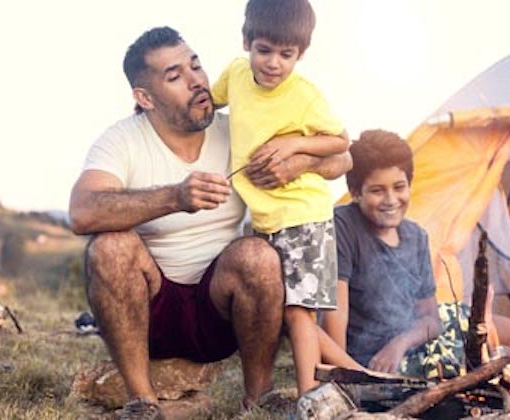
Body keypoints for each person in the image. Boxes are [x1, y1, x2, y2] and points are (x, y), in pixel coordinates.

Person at [69, 27, 352, 418]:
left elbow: (343, 160)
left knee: (258, 254)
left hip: (220, 312)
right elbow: (83, 211)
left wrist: (299, 160)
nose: (196, 81)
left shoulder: (237, 129)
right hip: (149, 312)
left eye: (196, 65)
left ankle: (259, 397)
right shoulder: (122, 140)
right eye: (175, 76)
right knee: (109, 247)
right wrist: (175, 197)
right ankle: (141, 403)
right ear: (144, 98)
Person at [210, 0, 354, 394]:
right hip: (264, 219)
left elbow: (340, 140)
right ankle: (353, 376)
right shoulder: (236, 75)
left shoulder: (303, 95)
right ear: (246, 43)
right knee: (282, 311)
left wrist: (293, 143)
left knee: (298, 314)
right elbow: (210, 101)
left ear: (300, 54)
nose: (274, 63)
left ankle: (309, 395)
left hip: (303, 214)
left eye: (286, 55)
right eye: (265, 51)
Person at [323, 130, 510, 379]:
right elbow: (334, 319)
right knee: (458, 364)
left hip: (408, 341)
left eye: (399, 187)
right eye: (377, 190)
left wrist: (400, 343)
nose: (391, 200)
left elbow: (430, 320)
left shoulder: (415, 236)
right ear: (355, 192)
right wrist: (348, 376)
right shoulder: (343, 227)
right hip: (370, 356)